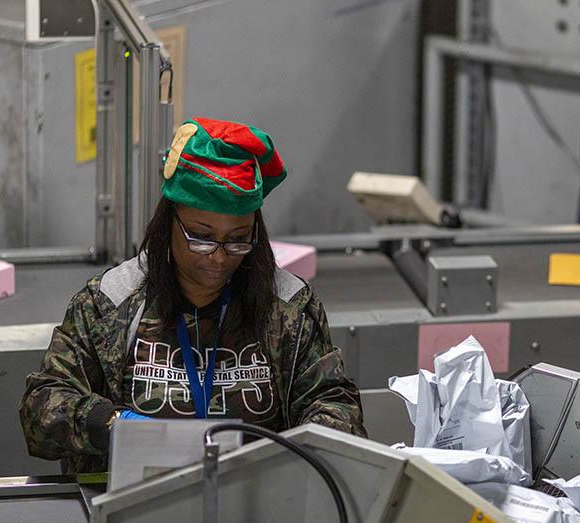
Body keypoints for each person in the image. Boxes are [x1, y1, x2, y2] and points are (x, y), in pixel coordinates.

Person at [20, 118, 366, 473]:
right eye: (201, 237)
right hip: (130, 503)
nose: (218, 256)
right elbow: (41, 406)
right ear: (169, 223)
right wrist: (113, 426)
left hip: (254, 501)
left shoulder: (288, 308)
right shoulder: (110, 303)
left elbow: (335, 403)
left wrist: (294, 450)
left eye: (237, 239)